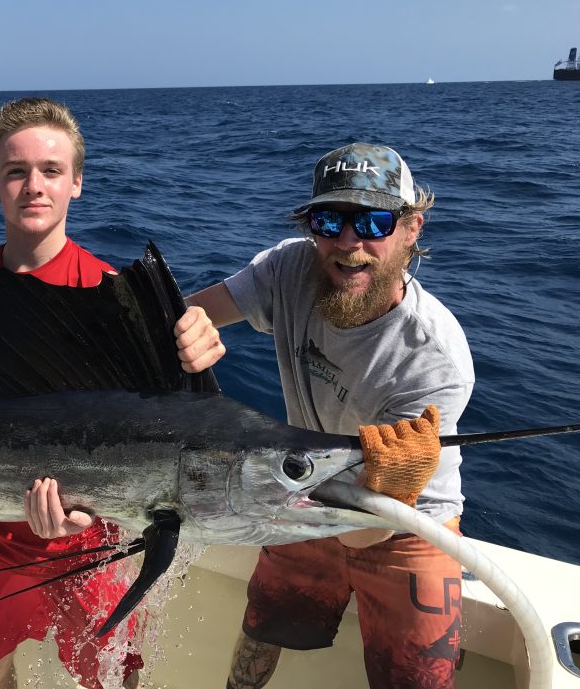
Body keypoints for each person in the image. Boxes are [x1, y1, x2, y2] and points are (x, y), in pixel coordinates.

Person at [0, 97, 225, 689]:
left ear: (76, 183)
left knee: (109, 680)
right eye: (16, 172)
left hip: (99, 543)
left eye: (51, 171)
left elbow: (185, 428)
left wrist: (196, 342)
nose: (34, 186)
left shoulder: (118, 300)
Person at [184, 143, 474, 689]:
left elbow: (364, 532)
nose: (347, 243)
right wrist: (190, 329)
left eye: (373, 221)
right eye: (328, 220)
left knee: (414, 679)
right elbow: (194, 312)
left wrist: (388, 491)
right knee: (262, 629)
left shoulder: (432, 358)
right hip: (302, 488)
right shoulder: (290, 267)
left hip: (405, 518)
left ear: (411, 229)